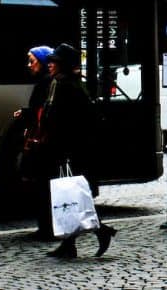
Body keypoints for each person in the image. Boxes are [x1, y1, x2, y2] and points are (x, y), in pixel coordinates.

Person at [41, 44, 116, 259]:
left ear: (62, 64)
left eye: (54, 61)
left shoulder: (66, 86)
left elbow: (63, 119)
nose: (50, 64)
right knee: (72, 196)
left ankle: (98, 232)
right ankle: (72, 242)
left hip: (71, 149)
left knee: (73, 196)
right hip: (71, 148)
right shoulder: (66, 84)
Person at [19, 45, 54, 239]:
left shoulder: (46, 83)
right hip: (44, 142)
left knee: (44, 187)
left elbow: (41, 112)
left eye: (32, 61)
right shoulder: (47, 82)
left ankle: (47, 229)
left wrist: (27, 116)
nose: (29, 65)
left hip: (44, 143)